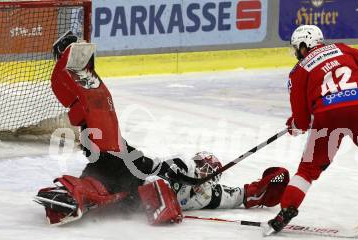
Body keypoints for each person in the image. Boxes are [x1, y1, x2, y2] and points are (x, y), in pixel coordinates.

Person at [34, 32, 290, 226]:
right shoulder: (183, 168)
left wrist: (270, 184)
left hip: (127, 189)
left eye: (210, 169)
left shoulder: (209, 193)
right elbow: (143, 163)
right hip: (121, 166)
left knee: (105, 184)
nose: (205, 170)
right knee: (105, 141)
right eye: (205, 164)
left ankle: (76, 198)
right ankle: (77, 194)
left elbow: (247, 195)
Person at [265, 25, 358, 237]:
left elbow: (302, 120)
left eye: (297, 48)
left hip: (328, 117)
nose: (296, 53)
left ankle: (285, 213)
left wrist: (295, 125)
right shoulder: (342, 49)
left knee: (307, 170)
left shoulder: (298, 71)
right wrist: (355, 87)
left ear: (305, 45)